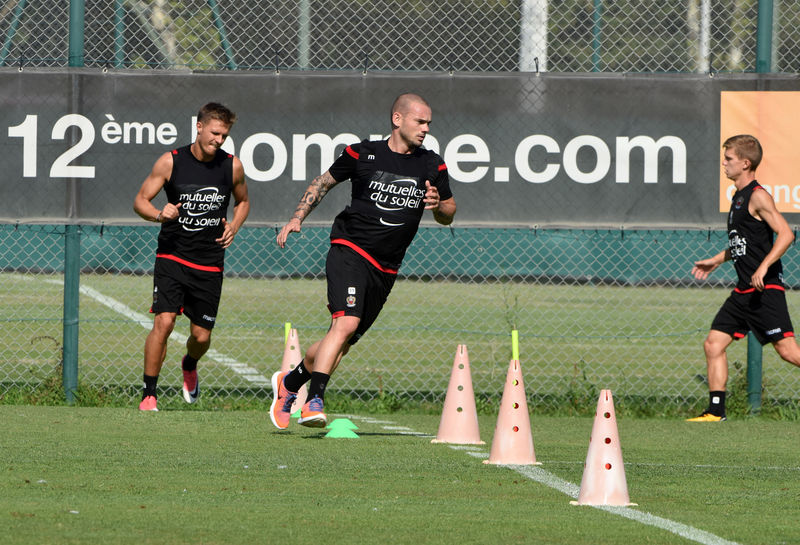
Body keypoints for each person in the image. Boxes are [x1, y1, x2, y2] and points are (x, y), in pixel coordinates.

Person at [271, 93, 456, 428]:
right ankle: (314, 400)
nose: (426, 128)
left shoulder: (432, 164)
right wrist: (297, 217)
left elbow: (449, 212)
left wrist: (438, 205)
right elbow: (323, 182)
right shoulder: (364, 152)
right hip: (350, 249)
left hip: (386, 268)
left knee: (340, 342)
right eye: (420, 121)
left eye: (429, 122)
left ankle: (289, 384)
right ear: (397, 119)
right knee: (346, 324)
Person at [133, 102, 249, 411]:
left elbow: (243, 201)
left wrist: (234, 226)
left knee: (200, 336)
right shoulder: (171, 162)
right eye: (214, 133)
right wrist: (160, 213)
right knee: (165, 322)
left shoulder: (232, 166)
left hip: (209, 263)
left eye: (224, 135)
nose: (219, 140)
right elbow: (140, 201)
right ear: (199, 127)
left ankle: (189, 364)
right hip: (172, 256)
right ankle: (149, 394)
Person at [688, 134, 800, 421]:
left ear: (745, 163)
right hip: (743, 292)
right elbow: (744, 243)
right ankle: (716, 412)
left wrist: (763, 267)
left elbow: (786, 234)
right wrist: (716, 260)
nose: (723, 163)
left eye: (729, 159)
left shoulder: (757, 195)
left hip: (765, 289)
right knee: (713, 344)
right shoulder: (738, 197)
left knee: (788, 352)